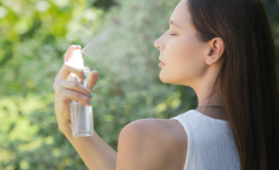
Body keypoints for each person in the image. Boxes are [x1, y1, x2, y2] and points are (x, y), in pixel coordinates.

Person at [52, 0, 279, 169]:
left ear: (213, 50)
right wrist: (76, 130)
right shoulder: (264, 138)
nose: (158, 42)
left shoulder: (148, 136)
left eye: (173, 32)